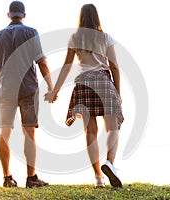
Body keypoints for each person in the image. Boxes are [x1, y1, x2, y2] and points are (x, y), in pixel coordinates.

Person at [45, 4, 124, 188]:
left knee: (90, 132)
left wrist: (54, 91)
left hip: (83, 84)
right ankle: (109, 163)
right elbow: (114, 67)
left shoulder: (75, 38)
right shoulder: (105, 37)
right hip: (103, 81)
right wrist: (118, 92)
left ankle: (98, 178)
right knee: (113, 128)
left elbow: (66, 67)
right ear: (96, 17)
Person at [0, 1, 53, 188]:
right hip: (28, 89)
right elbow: (41, 63)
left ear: (8, 15)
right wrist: (50, 86)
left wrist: (3, 86)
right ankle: (31, 178)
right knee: (29, 133)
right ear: (24, 15)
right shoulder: (31, 32)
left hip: (6, 91)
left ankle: (7, 178)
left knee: (4, 132)